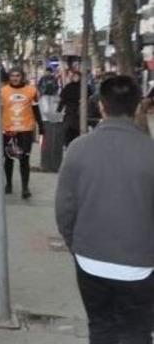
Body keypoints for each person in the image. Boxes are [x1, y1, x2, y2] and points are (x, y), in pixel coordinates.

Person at [55, 76, 154, 344]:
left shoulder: (78, 148)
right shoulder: (150, 150)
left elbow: (64, 209)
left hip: (90, 260)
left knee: (100, 328)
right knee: (137, 331)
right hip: (141, 265)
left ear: (101, 106)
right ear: (136, 107)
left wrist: (76, 245)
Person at [1, 69, 44, 199]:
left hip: (25, 129)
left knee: (24, 159)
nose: (15, 78)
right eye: (12, 75)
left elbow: (36, 109)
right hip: (8, 129)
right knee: (8, 158)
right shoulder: (2, 91)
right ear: (9, 77)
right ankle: (8, 184)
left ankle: (25, 188)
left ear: (22, 77)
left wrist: (41, 126)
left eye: (17, 75)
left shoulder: (31, 91)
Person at [57, 70, 83, 146]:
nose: (75, 78)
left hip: (80, 112)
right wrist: (58, 110)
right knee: (68, 129)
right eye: (74, 76)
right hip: (70, 111)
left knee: (77, 129)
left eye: (77, 76)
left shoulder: (84, 87)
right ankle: (68, 143)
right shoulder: (68, 87)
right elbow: (63, 100)